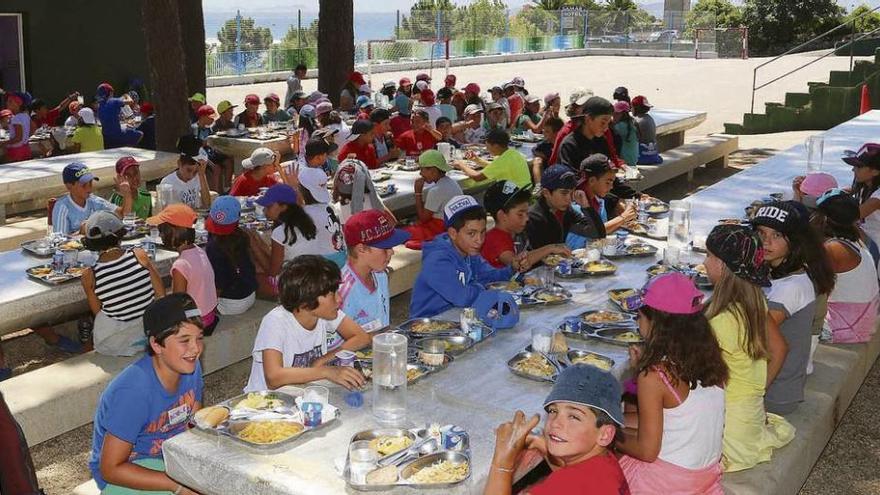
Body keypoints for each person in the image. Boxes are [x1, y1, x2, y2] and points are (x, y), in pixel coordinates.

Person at [616, 273, 728, 494]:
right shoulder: (710, 359)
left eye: (638, 316)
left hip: (667, 484)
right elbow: (674, 418)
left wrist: (607, 433)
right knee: (614, 422)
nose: (637, 323)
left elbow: (647, 451)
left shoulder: (656, 375)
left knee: (599, 443)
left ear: (656, 322)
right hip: (703, 479)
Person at [88, 293, 204, 495]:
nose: (195, 349)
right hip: (130, 471)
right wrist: (176, 485)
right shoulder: (133, 392)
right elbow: (111, 469)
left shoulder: (191, 367)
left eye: (199, 338)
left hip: (170, 457)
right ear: (156, 344)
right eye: (184, 340)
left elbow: (194, 421)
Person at [702, 224, 794, 472]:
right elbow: (781, 348)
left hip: (727, 428)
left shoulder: (719, 322)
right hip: (748, 417)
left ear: (722, 265)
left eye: (708, 255)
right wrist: (755, 392)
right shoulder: (752, 303)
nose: (705, 262)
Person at [484, 366, 631, 495]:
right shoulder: (604, 462)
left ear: (605, 434)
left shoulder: (566, 485)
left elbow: (569, 484)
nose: (555, 423)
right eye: (553, 411)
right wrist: (540, 443)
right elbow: (573, 478)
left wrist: (502, 463)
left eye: (573, 416)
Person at [751, 201, 835, 414]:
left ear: (794, 241)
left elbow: (753, 334)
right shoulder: (791, 270)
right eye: (761, 233)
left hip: (774, 394)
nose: (766, 242)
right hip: (778, 384)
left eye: (777, 235)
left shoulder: (791, 287)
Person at [244, 255, 370, 392]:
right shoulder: (276, 321)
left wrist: (323, 360)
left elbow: (362, 337)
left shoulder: (324, 312)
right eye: (332, 294)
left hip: (301, 394)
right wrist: (326, 371)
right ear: (306, 302)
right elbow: (273, 378)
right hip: (265, 403)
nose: (339, 299)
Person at [410, 195, 514, 318]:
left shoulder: (470, 252)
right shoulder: (437, 260)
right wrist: (481, 287)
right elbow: (462, 297)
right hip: (429, 324)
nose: (479, 240)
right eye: (471, 233)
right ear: (453, 233)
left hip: (458, 317)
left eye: (482, 232)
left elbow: (491, 277)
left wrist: (513, 268)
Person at [80, 211, 164, 357]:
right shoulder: (139, 255)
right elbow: (160, 292)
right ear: (120, 235)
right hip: (149, 331)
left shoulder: (89, 275)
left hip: (116, 343)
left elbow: (98, 313)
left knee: (99, 321)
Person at [335, 210, 411, 348]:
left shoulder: (380, 275)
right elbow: (333, 347)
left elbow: (383, 325)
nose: (392, 252)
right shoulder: (341, 291)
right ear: (361, 249)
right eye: (385, 248)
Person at [812, 189, 879, 343]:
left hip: (848, 327)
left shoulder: (834, 248)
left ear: (824, 218)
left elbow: (814, 288)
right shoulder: (855, 235)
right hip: (861, 320)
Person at [148, 204, 220, 335]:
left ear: (174, 232)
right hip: (210, 316)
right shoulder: (199, 251)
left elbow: (178, 303)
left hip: (198, 322)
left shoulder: (181, 265)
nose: (160, 235)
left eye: (162, 230)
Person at [481, 180, 570, 270]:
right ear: (501, 215)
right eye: (520, 214)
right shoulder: (496, 239)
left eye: (527, 213)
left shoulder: (514, 233)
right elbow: (518, 263)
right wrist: (550, 248)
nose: (527, 218)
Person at [205, 195, 268, 315]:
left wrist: (209, 310)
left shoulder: (214, 248)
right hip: (249, 295)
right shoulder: (242, 235)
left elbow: (219, 283)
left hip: (230, 303)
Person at [526, 165, 594, 250]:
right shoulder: (533, 218)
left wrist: (586, 207)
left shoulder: (566, 211)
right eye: (564, 193)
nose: (569, 199)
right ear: (546, 193)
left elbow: (596, 233)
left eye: (571, 193)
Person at [405, 150, 463, 249]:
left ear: (433, 171)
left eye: (422, 170)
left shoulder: (436, 190)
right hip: (454, 225)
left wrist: (418, 192)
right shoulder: (451, 182)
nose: (420, 173)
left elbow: (423, 218)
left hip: (440, 229)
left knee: (403, 234)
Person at [53, 162, 132, 235]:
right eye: (84, 185)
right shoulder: (62, 207)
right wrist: (80, 233)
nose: (89, 189)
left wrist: (127, 194)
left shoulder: (94, 201)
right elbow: (60, 241)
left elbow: (122, 214)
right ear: (69, 186)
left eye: (90, 183)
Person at [576, 154, 637, 237]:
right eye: (608, 182)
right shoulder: (575, 203)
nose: (611, 187)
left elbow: (604, 231)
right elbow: (595, 232)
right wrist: (623, 217)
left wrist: (623, 223)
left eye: (612, 182)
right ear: (592, 180)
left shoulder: (599, 201)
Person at [455, 129, 532, 189]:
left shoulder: (503, 160)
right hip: (524, 191)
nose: (486, 148)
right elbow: (495, 166)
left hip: (515, 196)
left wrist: (461, 164)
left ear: (496, 146)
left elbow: (477, 177)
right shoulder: (513, 153)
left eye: (487, 146)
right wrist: (477, 160)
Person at [159, 135, 211, 209]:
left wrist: (202, 175)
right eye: (189, 170)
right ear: (179, 164)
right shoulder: (168, 183)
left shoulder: (199, 176)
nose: (191, 176)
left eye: (195, 171)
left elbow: (207, 204)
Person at [846, 143, 880, 249]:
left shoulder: (877, 199)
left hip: (875, 246)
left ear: (875, 171)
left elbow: (846, 217)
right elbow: (846, 192)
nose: (853, 170)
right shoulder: (865, 186)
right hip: (866, 238)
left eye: (858, 166)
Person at [548, 88, 592, 167]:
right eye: (584, 105)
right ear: (574, 108)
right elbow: (555, 161)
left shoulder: (597, 127)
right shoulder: (566, 132)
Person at [96, 83, 143, 148]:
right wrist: (126, 95)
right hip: (117, 135)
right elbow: (130, 101)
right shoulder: (114, 101)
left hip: (106, 137)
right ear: (109, 93)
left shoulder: (99, 106)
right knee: (140, 134)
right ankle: (130, 150)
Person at [632, 95, 662, 165]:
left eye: (632, 107)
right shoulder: (650, 118)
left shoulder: (636, 121)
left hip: (642, 157)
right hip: (654, 156)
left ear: (636, 108)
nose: (631, 109)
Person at [531, 116, 564, 180]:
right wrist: (544, 156)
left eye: (547, 131)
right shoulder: (545, 144)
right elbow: (534, 149)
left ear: (557, 133)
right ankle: (538, 186)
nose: (543, 133)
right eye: (544, 130)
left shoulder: (564, 144)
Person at [3, 91, 32, 162]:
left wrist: (4, 143)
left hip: (16, 151)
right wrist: (25, 139)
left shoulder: (15, 118)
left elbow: (18, 138)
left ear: (18, 103)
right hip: (25, 148)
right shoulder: (26, 115)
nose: (7, 103)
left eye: (10, 101)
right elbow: (33, 128)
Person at [612, 101, 639, 167]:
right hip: (633, 161)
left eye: (616, 113)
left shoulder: (621, 126)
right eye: (613, 113)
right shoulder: (632, 123)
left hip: (625, 162)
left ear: (623, 114)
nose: (613, 115)